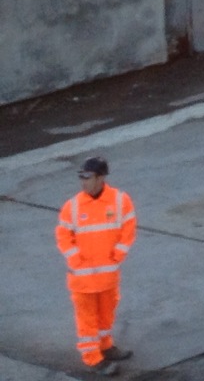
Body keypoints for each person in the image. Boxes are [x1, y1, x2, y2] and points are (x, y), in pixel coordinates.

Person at [55, 156, 134, 374]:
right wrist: (75, 259)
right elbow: (63, 236)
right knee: (87, 319)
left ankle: (105, 347)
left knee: (106, 314)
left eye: (87, 177)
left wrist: (118, 255)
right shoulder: (72, 206)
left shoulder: (119, 200)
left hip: (107, 276)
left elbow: (128, 228)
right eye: (80, 177)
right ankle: (92, 357)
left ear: (101, 178)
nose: (83, 182)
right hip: (83, 279)